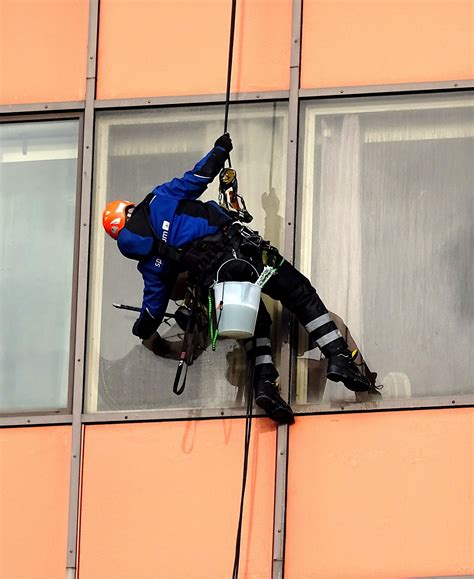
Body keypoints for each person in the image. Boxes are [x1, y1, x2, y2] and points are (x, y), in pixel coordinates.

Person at [102, 133, 378, 425]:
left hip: (217, 283)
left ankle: (265, 386)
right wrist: (220, 150)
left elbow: (152, 309)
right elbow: (198, 176)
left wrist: (141, 328)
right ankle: (339, 356)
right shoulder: (158, 200)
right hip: (242, 253)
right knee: (299, 293)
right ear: (128, 208)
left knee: (256, 324)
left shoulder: (149, 264)